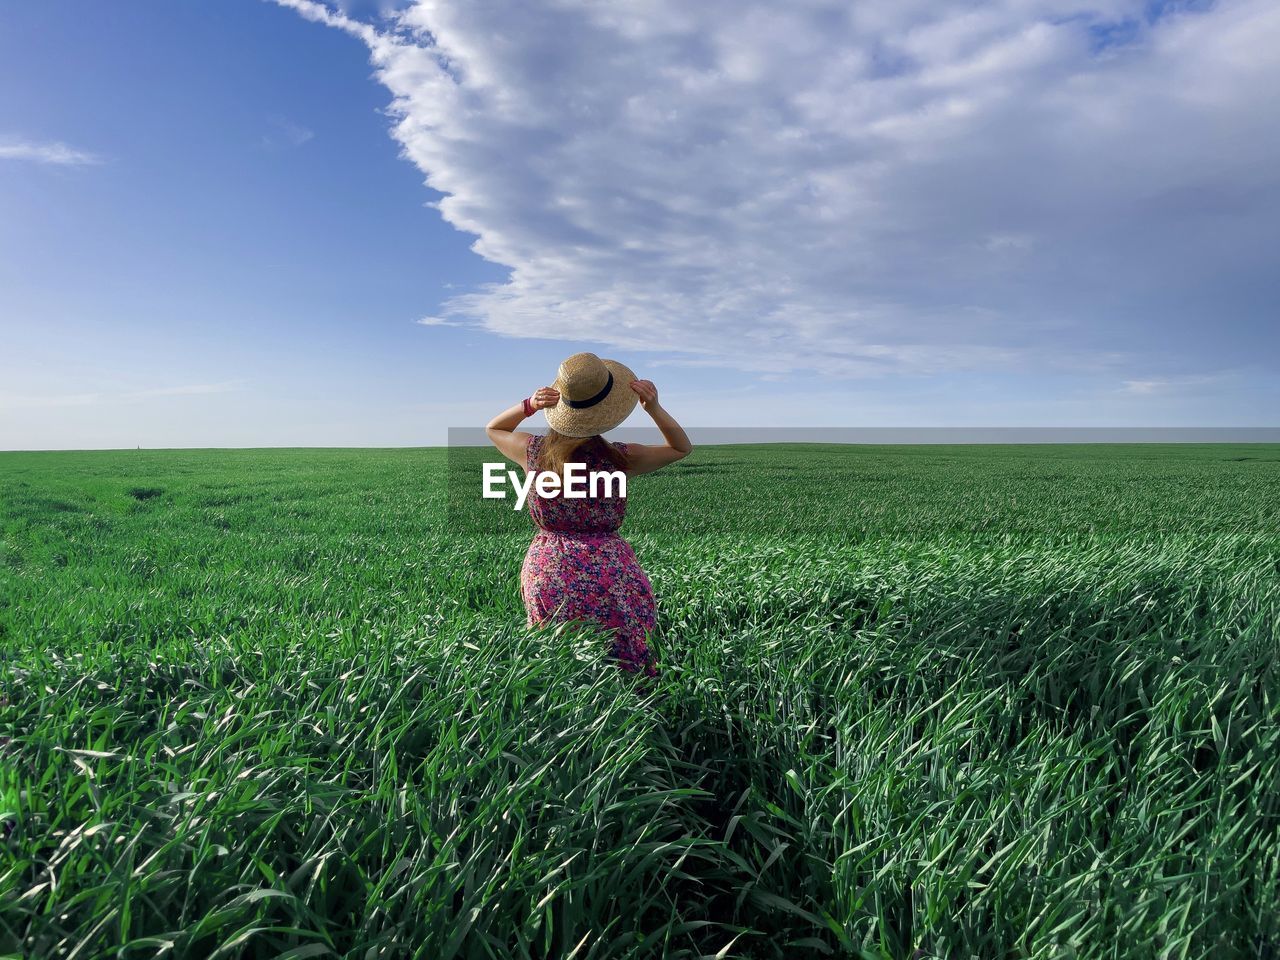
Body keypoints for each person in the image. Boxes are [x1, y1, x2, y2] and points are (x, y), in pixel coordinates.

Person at [486, 351, 692, 677]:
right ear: (607, 411)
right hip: (610, 568)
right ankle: (632, 718)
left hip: (549, 567)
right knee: (627, 657)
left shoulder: (533, 451)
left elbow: (494, 429)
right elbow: (681, 448)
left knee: (556, 661)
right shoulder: (620, 457)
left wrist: (529, 405)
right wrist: (654, 408)